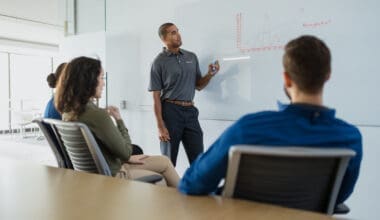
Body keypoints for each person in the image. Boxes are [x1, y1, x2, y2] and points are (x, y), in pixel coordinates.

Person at [178, 35, 362, 204]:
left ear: (287, 79)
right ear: (328, 75)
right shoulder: (349, 138)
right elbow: (337, 197)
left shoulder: (249, 128)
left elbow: (192, 184)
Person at [55, 56, 179, 187]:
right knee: (161, 178)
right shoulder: (96, 114)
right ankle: (189, 203)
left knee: (164, 161)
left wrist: (127, 158)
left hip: (94, 173)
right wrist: (119, 119)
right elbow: (126, 151)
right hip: (113, 175)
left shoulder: (68, 112)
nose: (103, 83)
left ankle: (187, 200)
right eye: (101, 78)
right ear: (89, 80)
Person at [148, 22, 220, 166]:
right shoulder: (158, 62)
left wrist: (210, 74)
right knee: (169, 161)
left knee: (199, 160)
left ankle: (197, 188)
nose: (178, 35)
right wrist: (160, 126)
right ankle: (166, 189)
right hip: (170, 111)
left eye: (178, 31)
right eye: (173, 33)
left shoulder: (191, 57)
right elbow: (156, 96)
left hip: (190, 112)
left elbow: (199, 86)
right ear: (163, 38)